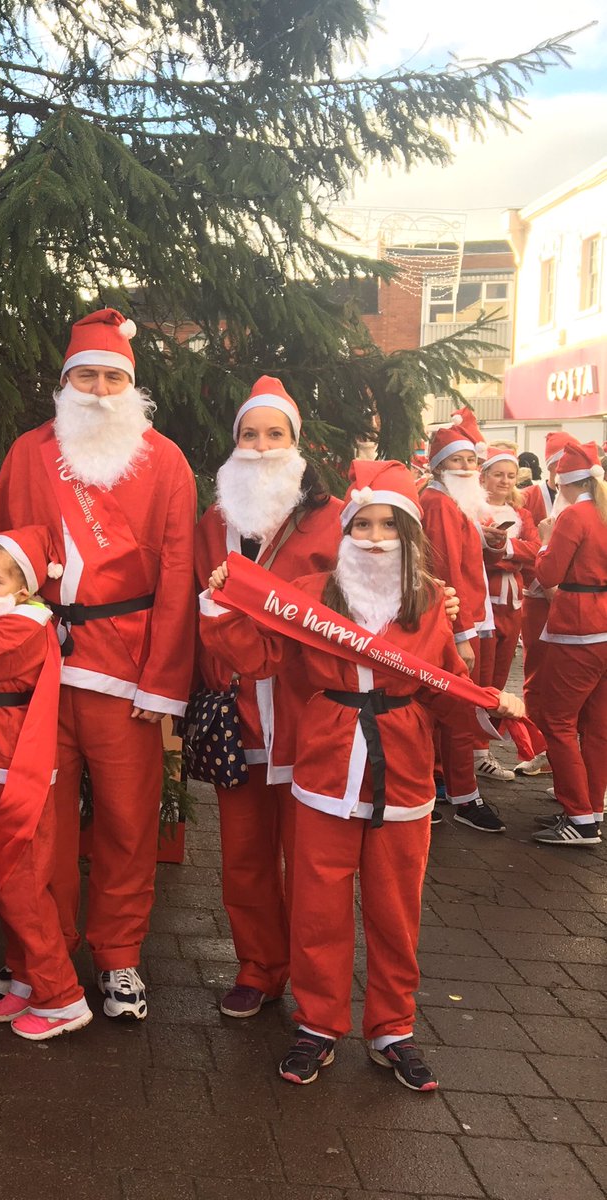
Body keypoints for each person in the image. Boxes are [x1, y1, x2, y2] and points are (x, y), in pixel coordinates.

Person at [201, 460, 524, 1090]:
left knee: (395, 908)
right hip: (325, 765)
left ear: (409, 536)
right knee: (319, 907)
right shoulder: (316, 594)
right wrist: (223, 603)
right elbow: (263, 655)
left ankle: (393, 1028)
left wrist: (492, 710)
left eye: (390, 526)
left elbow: (440, 691)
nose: (375, 537)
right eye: (363, 525)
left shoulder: (431, 601)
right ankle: (318, 1022)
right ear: (345, 533)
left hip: (402, 774)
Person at [0, 308, 197, 1021]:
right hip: (37, 667)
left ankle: (119, 957)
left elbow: (177, 575)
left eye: (112, 377)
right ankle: (38, 955)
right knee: (38, 819)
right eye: (87, 376)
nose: (99, 389)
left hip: (126, 670)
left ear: (131, 387)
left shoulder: (165, 460)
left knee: (129, 823)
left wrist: (164, 683)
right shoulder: (27, 453)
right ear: (64, 383)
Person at [193, 375, 343, 1018]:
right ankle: (259, 966)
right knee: (246, 857)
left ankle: (317, 989)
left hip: (310, 714)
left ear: (296, 443)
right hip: (237, 712)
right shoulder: (213, 524)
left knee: (312, 866)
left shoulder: (333, 521)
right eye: (248, 435)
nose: (259, 446)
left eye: (273, 434)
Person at [0, 527, 91, 1040]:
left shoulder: (22, 627)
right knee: (3, 878)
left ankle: (61, 996)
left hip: (14, 771)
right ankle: (28, 975)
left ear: (24, 588)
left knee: (22, 884)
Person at [419, 409, 506, 831]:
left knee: (454, 708)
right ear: (440, 466)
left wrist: (485, 540)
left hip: (468, 618)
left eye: (472, 460)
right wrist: (460, 635)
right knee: (459, 708)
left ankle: (442, 785)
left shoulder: (450, 501)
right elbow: (448, 571)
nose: (469, 468)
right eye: (459, 461)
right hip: (458, 621)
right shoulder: (437, 504)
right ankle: (464, 795)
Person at [529, 441, 607, 847]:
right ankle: (590, 807)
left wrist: (544, 539)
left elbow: (548, 572)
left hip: (579, 627)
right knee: (597, 726)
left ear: (563, 482)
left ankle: (580, 818)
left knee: (558, 722)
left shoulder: (574, 515)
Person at [517, 431, 580, 775]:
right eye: (555, 465)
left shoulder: (589, 504)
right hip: (541, 599)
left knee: (569, 681)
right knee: (536, 676)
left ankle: (567, 754)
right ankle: (539, 745)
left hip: (576, 606)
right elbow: (525, 545)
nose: (560, 472)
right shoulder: (532, 495)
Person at [477, 446, 543, 763]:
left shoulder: (521, 513)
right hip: (483, 604)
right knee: (480, 678)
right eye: (498, 474)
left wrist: (502, 550)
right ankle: (473, 750)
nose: (505, 481)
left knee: (500, 679)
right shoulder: (473, 509)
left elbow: (535, 550)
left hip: (512, 606)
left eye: (511, 475)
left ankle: (483, 749)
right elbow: (474, 556)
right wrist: (512, 555)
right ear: (484, 476)